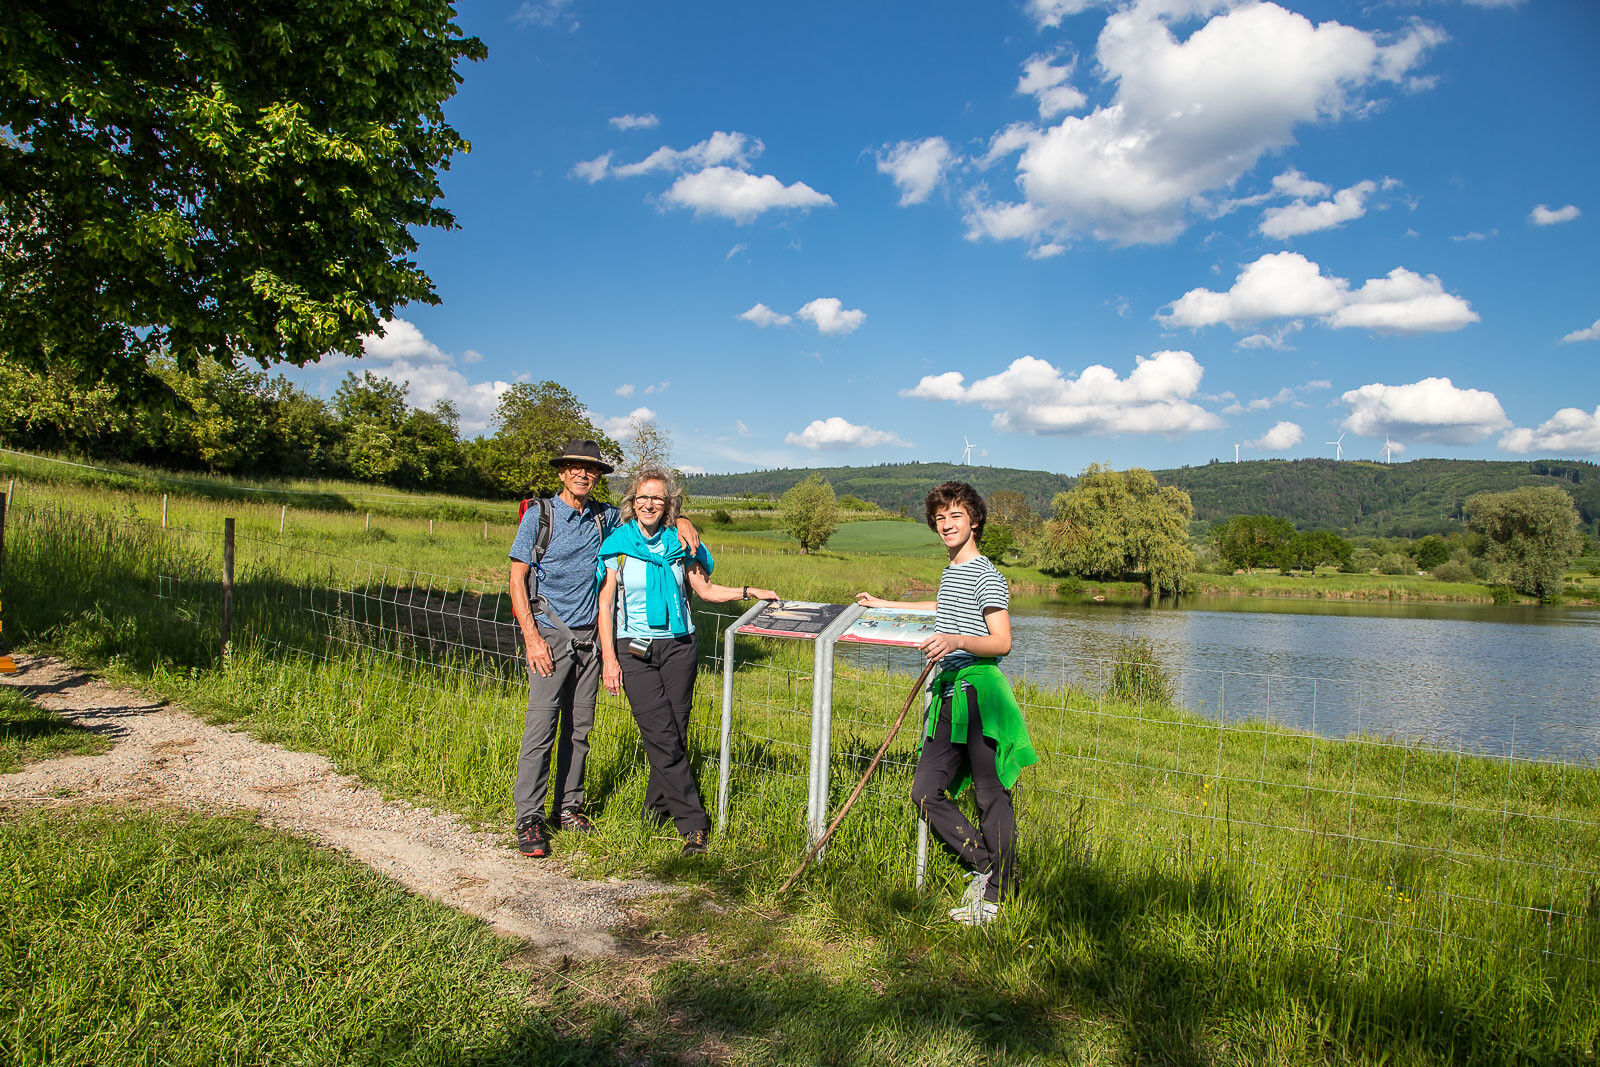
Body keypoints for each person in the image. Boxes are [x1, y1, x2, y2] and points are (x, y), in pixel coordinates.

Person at [507, 440, 699, 859]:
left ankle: (568, 808)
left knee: (580, 728)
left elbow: (650, 512)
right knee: (541, 727)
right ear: (562, 473)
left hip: (591, 639)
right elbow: (516, 579)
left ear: (598, 477)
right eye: (575, 468)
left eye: (591, 469)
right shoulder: (540, 515)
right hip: (549, 634)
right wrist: (532, 638)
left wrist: (682, 519)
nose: (583, 474)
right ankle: (530, 818)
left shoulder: (605, 518)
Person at [856, 480, 1037, 924]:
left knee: (990, 794)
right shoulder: (953, 571)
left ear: (975, 521)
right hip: (948, 694)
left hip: (978, 695)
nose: (946, 524)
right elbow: (944, 606)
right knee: (924, 791)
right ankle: (987, 865)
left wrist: (956, 640)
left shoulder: (988, 575)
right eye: (939, 518)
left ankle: (996, 896)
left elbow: (1002, 641)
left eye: (955, 515)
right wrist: (885, 604)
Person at [597, 467, 777, 857]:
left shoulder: (681, 544)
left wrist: (749, 591)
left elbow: (706, 590)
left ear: (668, 505)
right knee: (660, 733)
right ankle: (694, 823)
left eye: (657, 498)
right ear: (632, 501)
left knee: (675, 732)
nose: (648, 504)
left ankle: (654, 811)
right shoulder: (617, 545)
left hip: (679, 646)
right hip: (634, 649)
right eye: (642, 497)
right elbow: (606, 604)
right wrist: (608, 659)